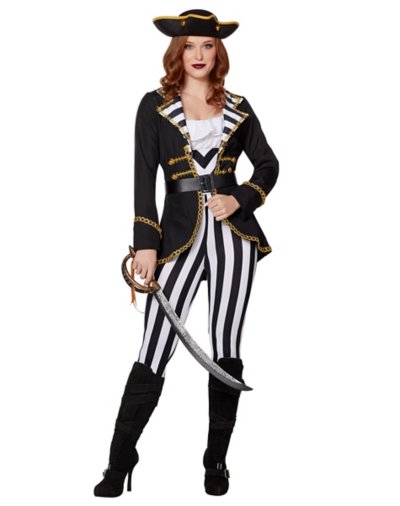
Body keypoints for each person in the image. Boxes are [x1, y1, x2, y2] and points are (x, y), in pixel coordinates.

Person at [94, 8, 279, 498]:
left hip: (234, 238)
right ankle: (119, 460)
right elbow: (143, 177)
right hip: (175, 238)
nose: (198, 55)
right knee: (154, 346)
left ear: (219, 51)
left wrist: (240, 198)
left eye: (207, 46)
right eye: (190, 46)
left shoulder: (239, 106)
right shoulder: (153, 106)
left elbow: (268, 165)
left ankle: (216, 461)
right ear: (177, 51)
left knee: (226, 347)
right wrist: (146, 244)